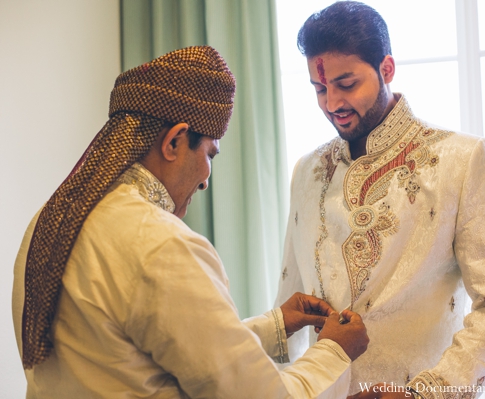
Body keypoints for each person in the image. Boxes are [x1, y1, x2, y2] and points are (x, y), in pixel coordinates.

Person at [12, 46, 370, 398]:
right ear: (174, 141)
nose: (205, 179)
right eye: (209, 154)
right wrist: (334, 351)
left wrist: (274, 326)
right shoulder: (161, 244)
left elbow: (146, 354)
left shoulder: (54, 220)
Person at [274, 2, 485, 398]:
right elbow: (288, 308)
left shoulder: (461, 160)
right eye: (319, 88)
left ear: (387, 69)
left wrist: (426, 394)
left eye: (346, 84)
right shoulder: (307, 171)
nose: (331, 103)